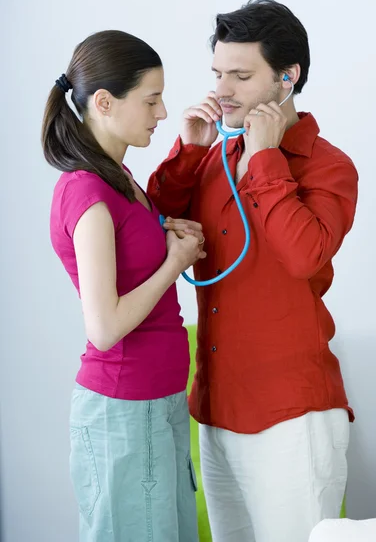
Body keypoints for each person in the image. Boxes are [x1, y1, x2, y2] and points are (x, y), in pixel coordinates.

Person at [147, 0, 359, 542]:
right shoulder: (214, 156)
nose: (222, 90)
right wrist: (190, 152)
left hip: (291, 416)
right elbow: (156, 227)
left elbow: (305, 254)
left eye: (241, 76)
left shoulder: (328, 165)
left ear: (287, 78)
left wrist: (265, 161)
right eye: (218, 73)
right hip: (218, 410)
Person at [41, 30, 205, 542]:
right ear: (106, 103)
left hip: (158, 402)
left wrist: (172, 238)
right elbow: (105, 326)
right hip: (124, 409)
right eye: (151, 100)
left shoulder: (119, 178)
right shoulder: (87, 191)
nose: (161, 114)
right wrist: (172, 261)